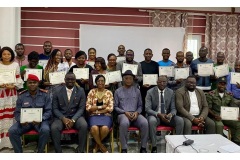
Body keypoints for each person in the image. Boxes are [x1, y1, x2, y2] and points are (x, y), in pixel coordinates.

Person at [8, 74, 51, 153]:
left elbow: (49, 111)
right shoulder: (21, 96)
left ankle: (40, 152)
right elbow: (17, 112)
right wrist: (20, 120)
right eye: (30, 82)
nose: (32, 84)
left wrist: (41, 119)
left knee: (45, 130)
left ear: (38, 83)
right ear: (27, 84)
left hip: (40, 121)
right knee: (12, 131)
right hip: (25, 123)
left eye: (34, 82)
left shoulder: (45, 95)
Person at [145, 75, 184, 153]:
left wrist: (170, 115)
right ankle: (154, 145)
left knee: (180, 120)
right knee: (152, 121)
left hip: (167, 116)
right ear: (156, 82)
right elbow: (147, 109)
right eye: (160, 82)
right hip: (155, 116)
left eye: (164, 82)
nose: (162, 84)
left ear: (167, 82)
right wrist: (159, 114)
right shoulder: (150, 92)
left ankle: (176, 144)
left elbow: (173, 108)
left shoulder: (171, 92)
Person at [51, 72, 87, 153]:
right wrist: (63, 118)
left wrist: (73, 120)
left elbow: (81, 108)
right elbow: (55, 108)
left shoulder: (80, 91)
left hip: (75, 116)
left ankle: (80, 150)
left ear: (75, 80)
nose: (70, 81)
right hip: (61, 117)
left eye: (72, 79)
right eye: (68, 79)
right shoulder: (57, 91)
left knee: (84, 125)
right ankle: (58, 151)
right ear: (64, 80)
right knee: (54, 128)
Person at [114, 70, 148, 153]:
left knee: (145, 122)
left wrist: (137, 112)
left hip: (135, 114)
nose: (128, 80)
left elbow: (140, 106)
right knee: (124, 123)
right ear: (123, 79)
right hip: (123, 114)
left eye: (130, 78)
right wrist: (125, 112)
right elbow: (115, 107)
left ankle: (143, 147)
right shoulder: (118, 91)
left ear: (133, 80)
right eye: (126, 78)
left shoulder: (137, 91)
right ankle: (124, 148)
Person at [0, 47, 23, 150]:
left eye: (8, 54)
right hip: (1, 94)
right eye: (4, 54)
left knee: (10, 116)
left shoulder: (15, 65)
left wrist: (13, 86)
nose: (6, 56)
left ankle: (11, 143)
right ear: (1, 55)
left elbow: (19, 79)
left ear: (12, 55)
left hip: (11, 94)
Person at [206, 77, 240, 145]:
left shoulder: (229, 94)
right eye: (220, 83)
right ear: (217, 84)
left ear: (226, 85)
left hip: (227, 116)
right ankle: (219, 143)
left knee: (238, 124)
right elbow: (208, 108)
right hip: (215, 116)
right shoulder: (211, 94)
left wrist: (237, 115)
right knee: (219, 125)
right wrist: (214, 115)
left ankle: (236, 142)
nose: (222, 85)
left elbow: (233, 107)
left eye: (224, 84)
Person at [86, 75, 113, 153]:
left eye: (102, 81)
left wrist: (96, 109)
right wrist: (102, 107)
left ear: (105, 82)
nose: (100, 82)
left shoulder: (109, 93)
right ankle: (101, 146)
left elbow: (110, 108)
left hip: (105, 116)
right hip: (93, 116)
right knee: (94, 128)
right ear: (96, 82)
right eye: (98, 81)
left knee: (105, 128)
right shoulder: (92, 92)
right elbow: (88, 107)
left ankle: (97, 145)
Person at [140, 48, 159, 116]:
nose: (148, 55)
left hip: (153, 89)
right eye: (146, 54)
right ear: (144, 55)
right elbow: (138, 77)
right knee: (143, 104)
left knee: (153, 104)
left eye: (149, 54)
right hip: (143, 89)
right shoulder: (140, 64)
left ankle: (152, 117)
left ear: (152, 55)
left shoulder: (156, 64)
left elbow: (158, 76)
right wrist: (142, 85)